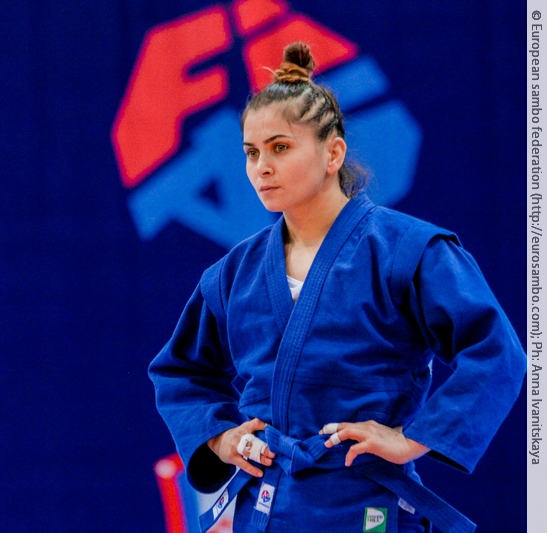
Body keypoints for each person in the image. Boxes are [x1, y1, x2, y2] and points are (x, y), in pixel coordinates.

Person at [148, 42, 526, 533]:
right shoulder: (233, 273)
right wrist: (221, 438)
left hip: (365, 503)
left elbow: (496, 352)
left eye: (280, 148)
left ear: (333, 153)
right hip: (266, 505)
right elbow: (180, 371)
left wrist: (411, 440)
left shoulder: (408, 250)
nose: (262, 167)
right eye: (251, 152)